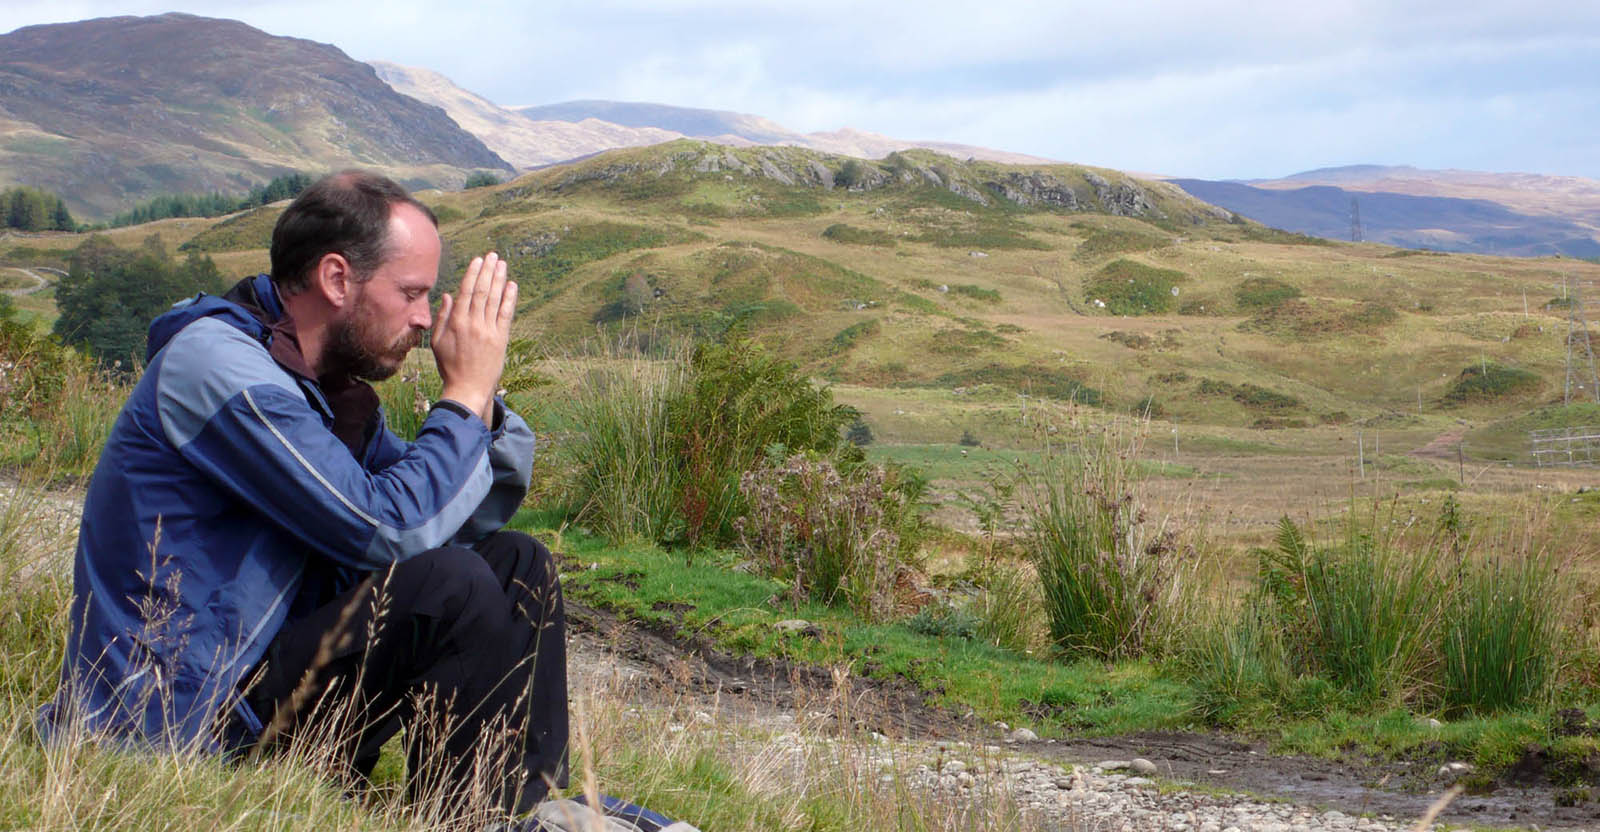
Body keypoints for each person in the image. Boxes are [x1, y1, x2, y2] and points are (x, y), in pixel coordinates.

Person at [39, 171, 568, 819]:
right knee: (451, 584)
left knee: (518, 564)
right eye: (411, 293)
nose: (427, 320)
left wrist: (481, 409)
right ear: (338, 279)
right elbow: (388, 530)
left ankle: (512, 809)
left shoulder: (327, 391)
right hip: (180, 723)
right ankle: (465, 818)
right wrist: (463, 397)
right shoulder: (221, 371)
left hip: (262, 686)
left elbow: (456, 520)